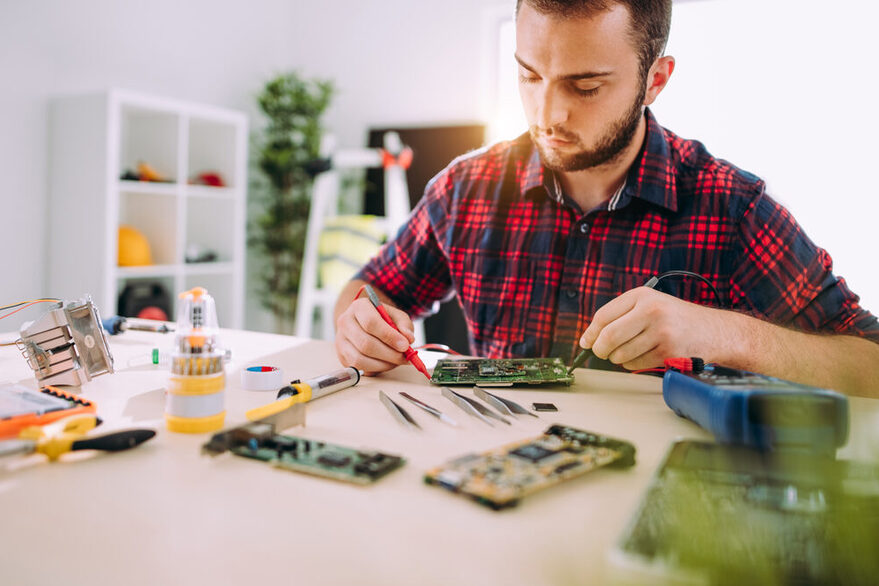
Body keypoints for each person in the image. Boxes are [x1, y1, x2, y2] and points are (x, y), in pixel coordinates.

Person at [333, 0, 879, 397]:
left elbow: (870, 367)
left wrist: (717, 332)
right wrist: (359, 325)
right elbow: (371, 289)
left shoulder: (732, 208)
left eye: (585, 86)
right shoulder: (466, 189)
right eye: (529, 75)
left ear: (655, 81)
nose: (548, 114)